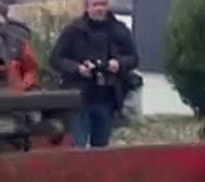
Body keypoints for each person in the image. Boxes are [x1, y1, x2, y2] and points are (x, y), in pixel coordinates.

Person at [49, 0, 138, 148]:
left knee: (101, 148)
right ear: (87, 7)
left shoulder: (119, 30)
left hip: (106, 97)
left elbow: (133, 58)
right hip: (79, 97)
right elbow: (56, 59)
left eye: (102, 4)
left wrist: (118, 63)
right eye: (95, 4)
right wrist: (77, 68)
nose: (99, 9)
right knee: (79, 147)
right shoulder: (73, 30)